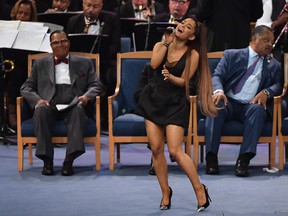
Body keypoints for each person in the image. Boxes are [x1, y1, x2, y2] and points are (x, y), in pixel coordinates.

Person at [135, 17, 217, 212]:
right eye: (182, 23)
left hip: (175, 103)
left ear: (192, 36)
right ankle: (165, 193)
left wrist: (171, 77)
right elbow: (154, 64)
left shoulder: (193, 54)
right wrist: (166, 42)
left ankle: (200, 189)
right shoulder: (161, 44)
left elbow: (186, 83)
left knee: (175, 150)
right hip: (153, 99)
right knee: (155, 148)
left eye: (188, 27)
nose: (182, 26)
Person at [20, 30, 102, 176]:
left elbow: (95, 85)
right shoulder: (40, 63)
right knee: (40, 110)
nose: (60, 45)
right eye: (56, 42)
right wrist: (38, 100)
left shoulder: (84, 62)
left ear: (69, 43)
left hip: (74, 103)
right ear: (51, 46)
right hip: (50, 104)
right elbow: (26, 87)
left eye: (63, 41)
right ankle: (47, 161)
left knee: (78, 111)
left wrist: (86, 97)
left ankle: (69, 160)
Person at [204, 25, 282, 177]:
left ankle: (243, 160)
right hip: (228, 101)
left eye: (271, 41)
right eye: (266, 40)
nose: (270, 45)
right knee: (215, 104)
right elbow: (217, 76)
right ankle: (211, 158)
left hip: (249, 105)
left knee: (258, 109)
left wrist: (266, 92)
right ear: (254, 39)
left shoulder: (274, 65)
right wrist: (219, 91)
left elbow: (278, 85)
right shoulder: (232, 55)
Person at [66, 0, 120, 130]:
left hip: (104, 61)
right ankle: (81, 116)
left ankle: (105, 119)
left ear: (101, 6)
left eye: (95, 7)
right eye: (88, 6)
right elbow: (68, 46)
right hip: (78, 63)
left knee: (110, 77)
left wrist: (98, 58)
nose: (91, 10)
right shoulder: (73, 21)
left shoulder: (111, 19)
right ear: (83, 4)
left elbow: (115, 45)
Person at [4, 0, 38, 130]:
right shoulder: (7, 28)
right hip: (8, 64)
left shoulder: (35, 31)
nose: (22, 17)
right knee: (14, 75)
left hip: (26, 65)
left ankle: (17, 114)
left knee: (18, 75)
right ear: (15, 13)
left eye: (26, 14)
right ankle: (10, 114)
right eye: (20, 13)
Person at [196, 0, 263, 52]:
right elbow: (257, 13)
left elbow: (201, 12)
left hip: (215, 38)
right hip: (240, 39)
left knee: (214, 67)